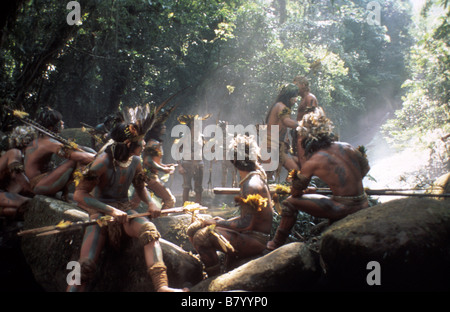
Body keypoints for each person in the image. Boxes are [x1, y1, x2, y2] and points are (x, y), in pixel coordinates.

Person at [69, 105, 187, 292]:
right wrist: (111, 211)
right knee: (85, 264)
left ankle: (162, 287)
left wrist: (150, 201)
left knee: (149, 230)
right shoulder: (102, 162)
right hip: (101, 214)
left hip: (124, 210)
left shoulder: (136, 161)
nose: (143, 146)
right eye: (140, 142)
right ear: (127, 143)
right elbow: (79, 194)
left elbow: (140, 187)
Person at [267, 108, 370, 250]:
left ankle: (275, 243)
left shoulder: (314, 161)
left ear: (306, 138)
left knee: (290, 203)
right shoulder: (347, 147)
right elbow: (365, 168)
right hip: (364, 202)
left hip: (344, 208)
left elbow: (295, 193)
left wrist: (307, 190)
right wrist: (345, 185)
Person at [187, 134, 273, 276]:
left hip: (255, 239)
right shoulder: (251, 177)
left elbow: (246, 224)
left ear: (233, 160)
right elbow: (247, 218)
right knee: (195, 228)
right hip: (249, 233)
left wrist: (216, 222)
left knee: (202, 237)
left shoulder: (251, 184)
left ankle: (214, 279)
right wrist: (221, 222)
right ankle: (211, 264)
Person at [23, 107, 95, 198]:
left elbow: (79, 148)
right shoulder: (49, 142)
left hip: (41, 182)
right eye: (59, 121)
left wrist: (93, 153)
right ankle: (82, 194)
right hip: (39, 186)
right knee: (76, 160)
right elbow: (79, 156)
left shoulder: (43, 140)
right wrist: (100, 159)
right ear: (50, 127)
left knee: (81, 155)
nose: (62, 123)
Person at [131, 120, 177, 210]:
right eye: (161, 126)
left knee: (133, 204)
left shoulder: (153, 142)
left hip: (146, 177)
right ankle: (161, 221)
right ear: (155, 129)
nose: (164, 127)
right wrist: (164, 170)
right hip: (150, 177)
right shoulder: (153, 143)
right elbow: (148, 161)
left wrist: (165, 166)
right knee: (170, 200)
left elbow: (154, 161)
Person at [263, 83, 300, 181]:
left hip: (277, 147)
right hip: (270, 146)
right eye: (295, 97)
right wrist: (304, 125)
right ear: (289, 97)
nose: (295, 101)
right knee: (266, 176)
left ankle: (285, 193)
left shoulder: (280, 106)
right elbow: (286, 121)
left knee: (295, 171)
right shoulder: (281, 107)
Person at [0, 126, 36, 218]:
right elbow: (18, 175)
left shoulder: (20, 158)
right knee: (33, 204)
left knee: (14, 210)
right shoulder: (14, 153)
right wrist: (35, 192)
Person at [176, 114, 211, 204]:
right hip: (187, 164)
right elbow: (177, 152)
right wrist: (179, 166)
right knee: (186, 187)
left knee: (199, 188)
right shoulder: (184, 138)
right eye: (194, 125)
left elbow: (205, 150)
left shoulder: (201, 137)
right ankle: (186, 208)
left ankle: (197, 208)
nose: (196, 127)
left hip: (199, 164)